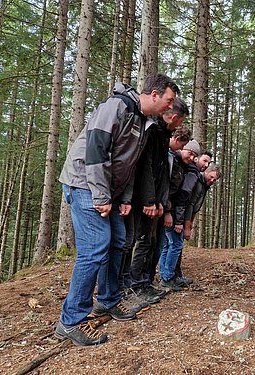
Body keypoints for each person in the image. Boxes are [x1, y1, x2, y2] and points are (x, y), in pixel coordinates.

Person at [56, 73, 179, 346]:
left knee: (119, 242)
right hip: (84, 184)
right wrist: (101, 195)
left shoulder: (145, 122)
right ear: (155, 95)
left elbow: (129, 163)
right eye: (169, 101)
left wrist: (124, 197)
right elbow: (97, 150)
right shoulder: (116, 107)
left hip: (110, 191)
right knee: (95, 247)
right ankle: (70, 320)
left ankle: (109, 301)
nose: (170, 107)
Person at [126, 99, 190, 306]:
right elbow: (146, 166)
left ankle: (145, 282)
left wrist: (161, 201)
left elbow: (162, 174)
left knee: (153, 243)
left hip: (157, 201)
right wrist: (149, 199)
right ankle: (134, 284)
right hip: (143, 200)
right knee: (140, 242)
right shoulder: (151, 129)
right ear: (174, 117)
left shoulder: (162, 135)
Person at [159, 140, 201, 290]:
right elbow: (181, 197)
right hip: (171, 212)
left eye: (195, 157)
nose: (192, 159)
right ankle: (167, 277)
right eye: (191, 154)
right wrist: (177, 220)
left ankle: (166, 275)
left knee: (169, 244)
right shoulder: (181, 165)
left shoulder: (181, 164)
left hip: (170, 211)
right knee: (175, 244)